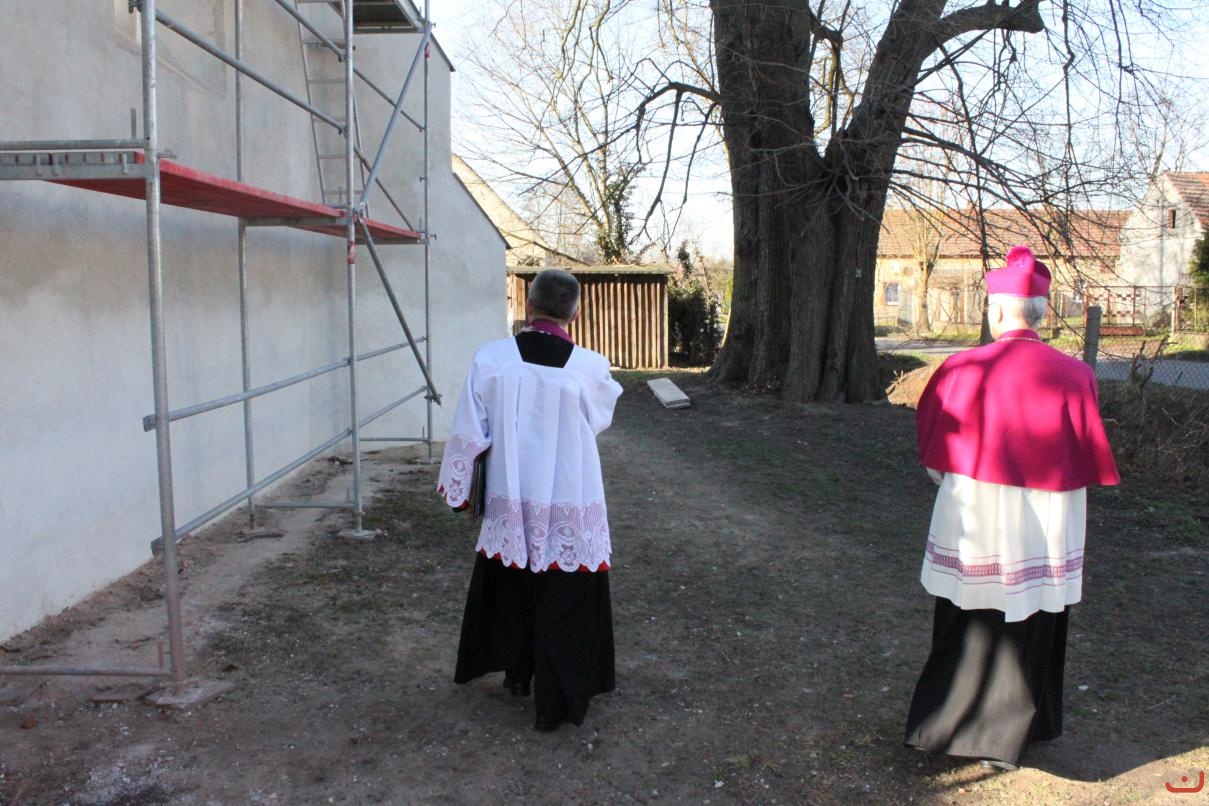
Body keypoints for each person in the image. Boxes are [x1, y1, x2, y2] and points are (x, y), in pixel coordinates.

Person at [904, 245, 1120, 770]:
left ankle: (951, 725)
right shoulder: (1076, 374)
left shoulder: (960, 368)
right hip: (1048, 519)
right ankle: (1028, 725)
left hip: (977, 515)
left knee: (968, 612)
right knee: (1036, 615)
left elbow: (935, 454)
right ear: (1040, 313)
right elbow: (1083, 451)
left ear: (997, 309)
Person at [437, 268, 623, 732]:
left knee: (511, 583)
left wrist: (460, 491)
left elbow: (469, 428)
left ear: (529, 303)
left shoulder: (492, 358)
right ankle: (554, 701)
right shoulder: (591, 368)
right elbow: (598, 419)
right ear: (574, 313)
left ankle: (518, 673)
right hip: (569, 493)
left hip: (511, 492)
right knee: (564, 596)